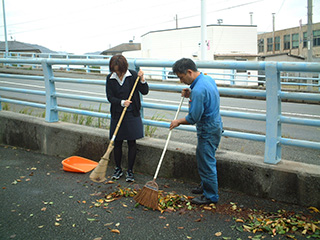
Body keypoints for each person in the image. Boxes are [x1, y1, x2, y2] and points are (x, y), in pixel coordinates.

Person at [169, 58, 223, 204]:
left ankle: (210, 196)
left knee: (206, 161)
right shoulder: (207, 79)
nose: (181, 81)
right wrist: (190, 94)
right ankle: (206, 186)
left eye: (181, 77)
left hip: (207, 128)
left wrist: (178, 121)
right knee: (205, 157)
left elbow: (194, 117)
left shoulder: (198, 90)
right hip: (215, 124)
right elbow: (204, 99)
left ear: (189, 72)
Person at [106, 55, 149, 182]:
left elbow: (145, 91)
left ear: (125, 67)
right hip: (117, 113)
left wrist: (142, 79)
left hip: (132, 113)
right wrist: (121, 102)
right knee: (117, 142)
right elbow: (110, 97)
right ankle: (118, 168)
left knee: (131, 142)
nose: (118, 73)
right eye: (115, 70)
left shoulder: (133, 76)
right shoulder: (110, 78)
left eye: (120, 70)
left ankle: (130, 170)